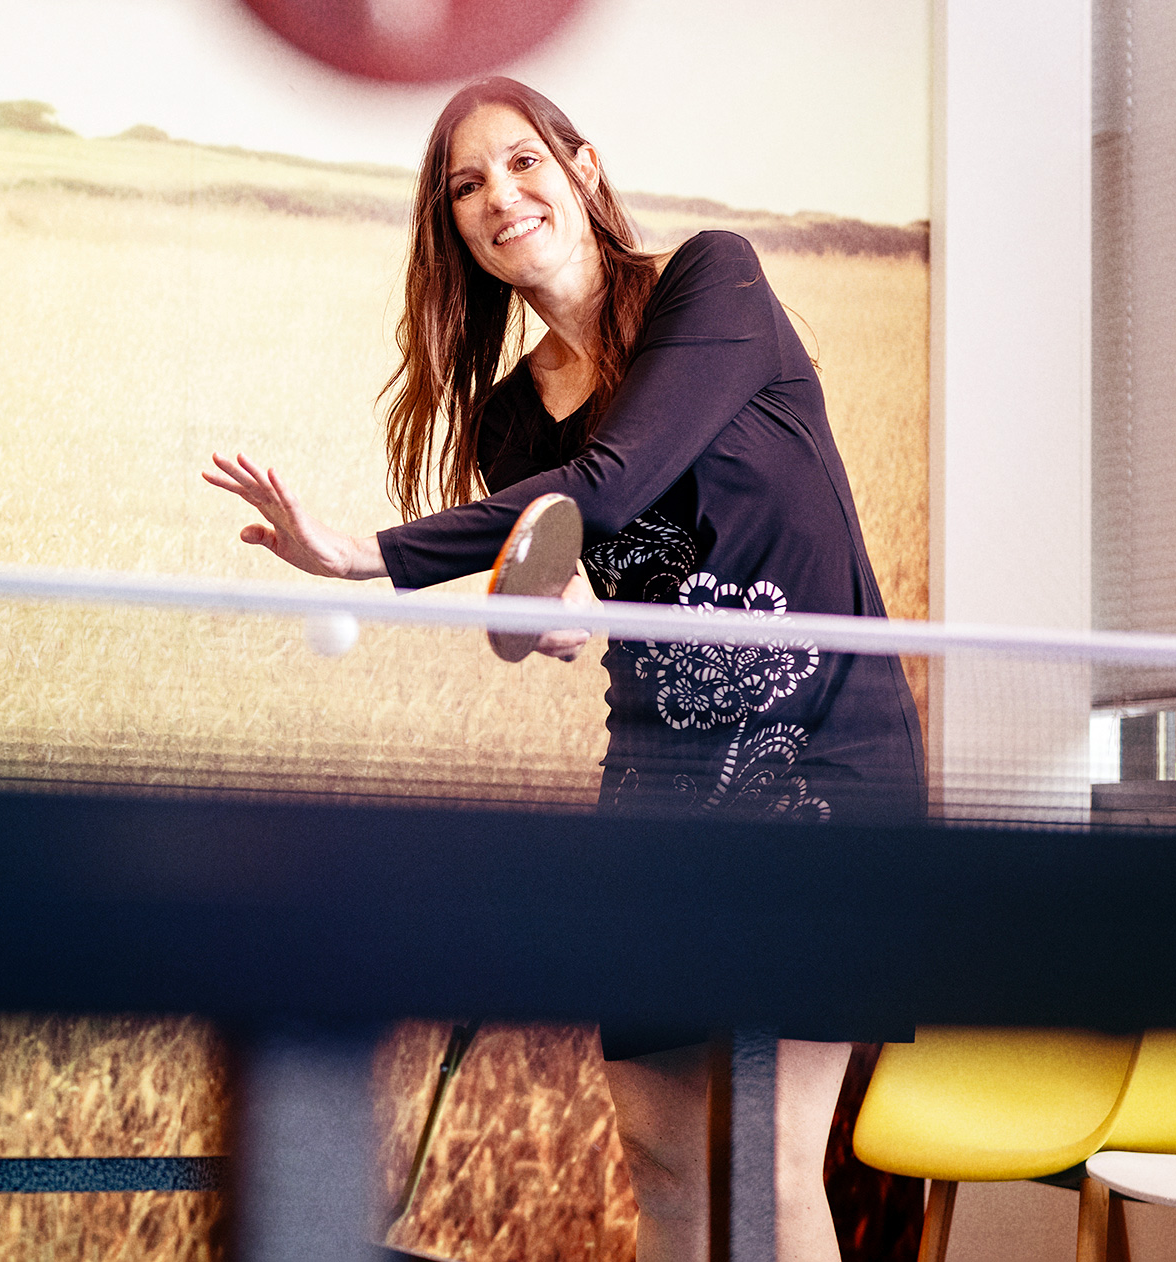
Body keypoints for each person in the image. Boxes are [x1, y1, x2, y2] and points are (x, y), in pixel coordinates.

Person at [203, 75, 927, 1262]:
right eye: (467, 187)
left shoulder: (716, 282)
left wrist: (366, 555)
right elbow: (589, 583)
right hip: (655, 784)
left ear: (583, 168)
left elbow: (611, 486)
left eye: (524, 162)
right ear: (457, 233)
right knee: (660, 1154)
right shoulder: (509, 422)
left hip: (824, 765)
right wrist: (560, 617)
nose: (501, 196)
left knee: (761, 1161)